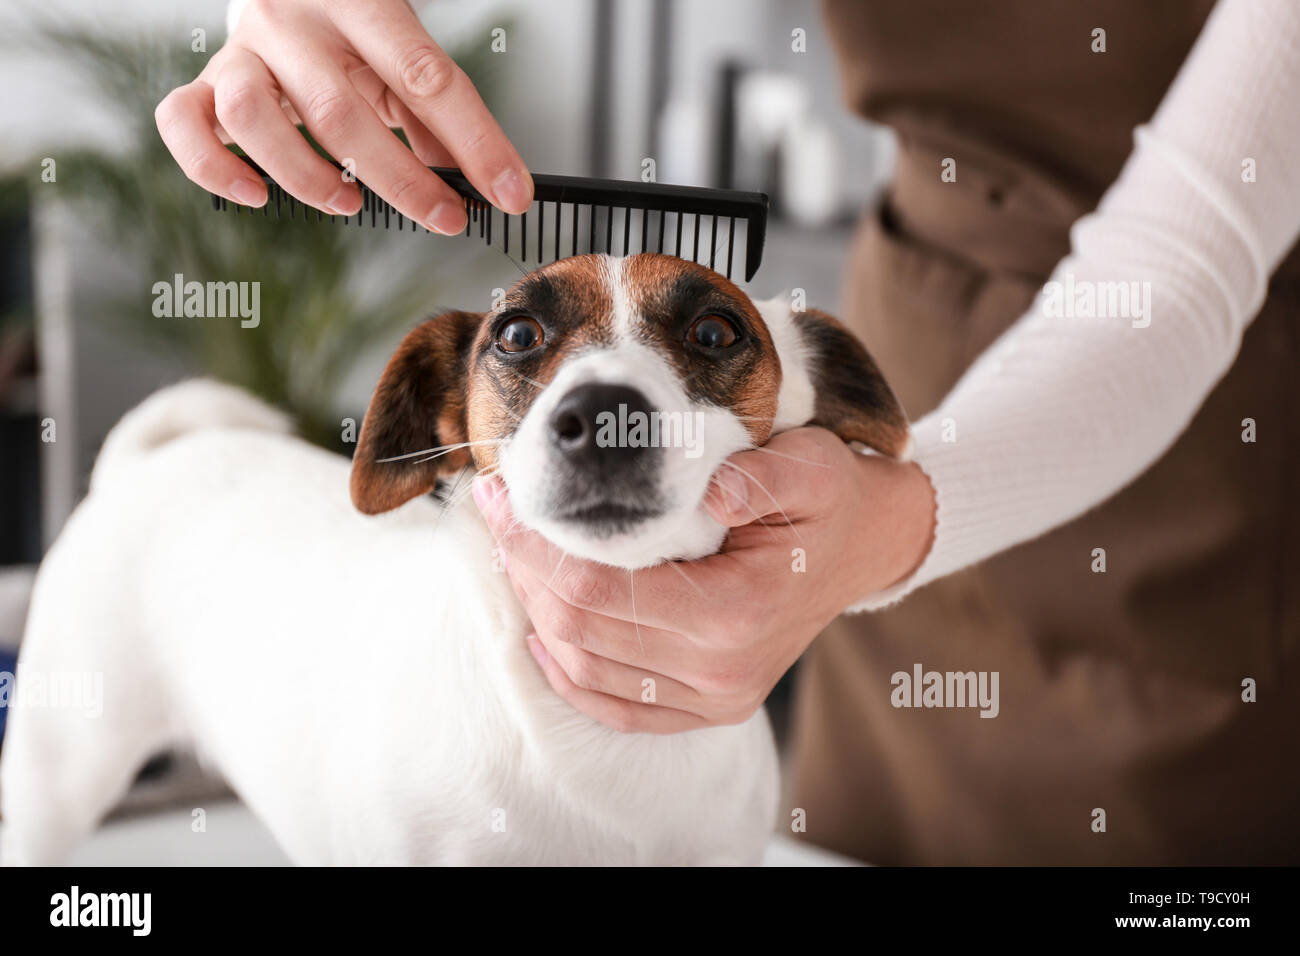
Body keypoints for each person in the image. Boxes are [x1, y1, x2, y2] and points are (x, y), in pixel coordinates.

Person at [159, 0, 1300, 864]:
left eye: (703, 339)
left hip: (1191, 399)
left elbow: (1185, 255)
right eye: (520, 348)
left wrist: (896, 511)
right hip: (925, 279)